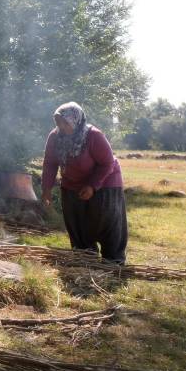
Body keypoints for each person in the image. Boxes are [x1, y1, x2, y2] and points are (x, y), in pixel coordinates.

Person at [40, 102, 127, 264]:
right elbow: (50, 164)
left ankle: (113, 262)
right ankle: (85, 258)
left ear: (76, 121)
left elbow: (107, 163)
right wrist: (46, 189)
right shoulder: (55, 136)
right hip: (71, 184)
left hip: (106, 182)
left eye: (65, 123)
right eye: (58, 122)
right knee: (77, 223)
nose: (61, 127)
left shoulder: (93, 136)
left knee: (106, 222)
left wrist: (93, 185)